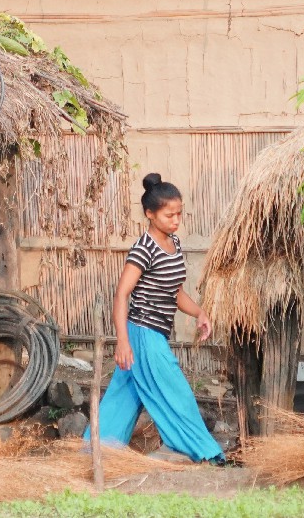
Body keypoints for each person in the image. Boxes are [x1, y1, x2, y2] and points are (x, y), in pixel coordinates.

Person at [87, 172, 226, 462]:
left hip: (153, 333)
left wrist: (199, 312)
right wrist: (123, 342)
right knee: (177, 392)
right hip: (142, 332)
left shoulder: (174, 243)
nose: (175, 221)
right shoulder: (143, 249)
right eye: (168, 215)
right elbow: (121, 294)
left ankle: (94, 453)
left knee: (123, 397)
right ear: (150, 214)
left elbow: (175, 293)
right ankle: (205, 453)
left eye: (179, 214)